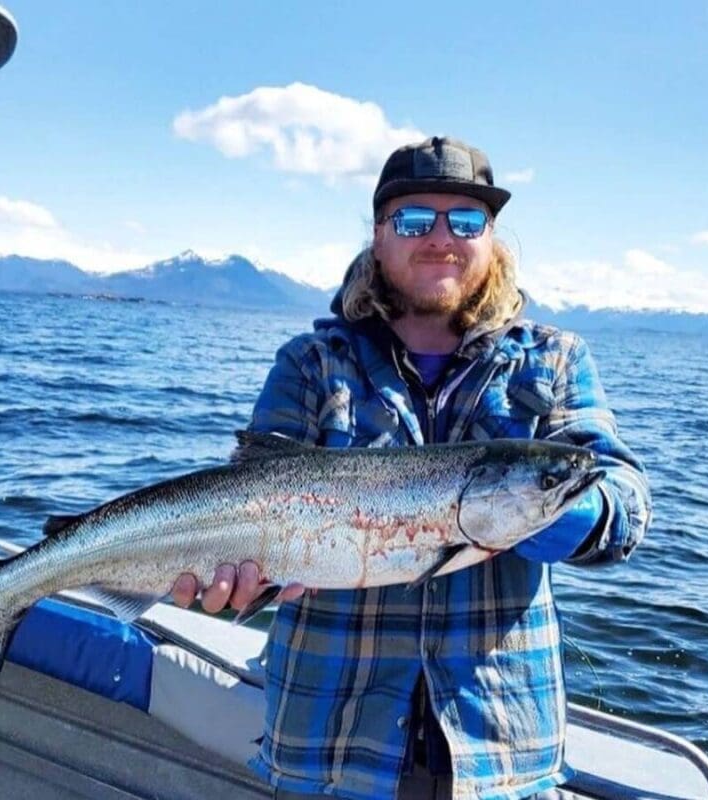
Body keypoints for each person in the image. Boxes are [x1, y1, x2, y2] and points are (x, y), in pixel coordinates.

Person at [172, 136, 651, 800]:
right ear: (378, 235)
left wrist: (584, 513)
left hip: (502, 754)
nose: (441, 238)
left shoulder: (555, 359)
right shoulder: (312, 362)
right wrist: (236, 582)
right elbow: (253, 495)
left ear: (492, 238)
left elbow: (624, 494)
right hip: (328, 745)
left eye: (467, 220)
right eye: (415, 220)